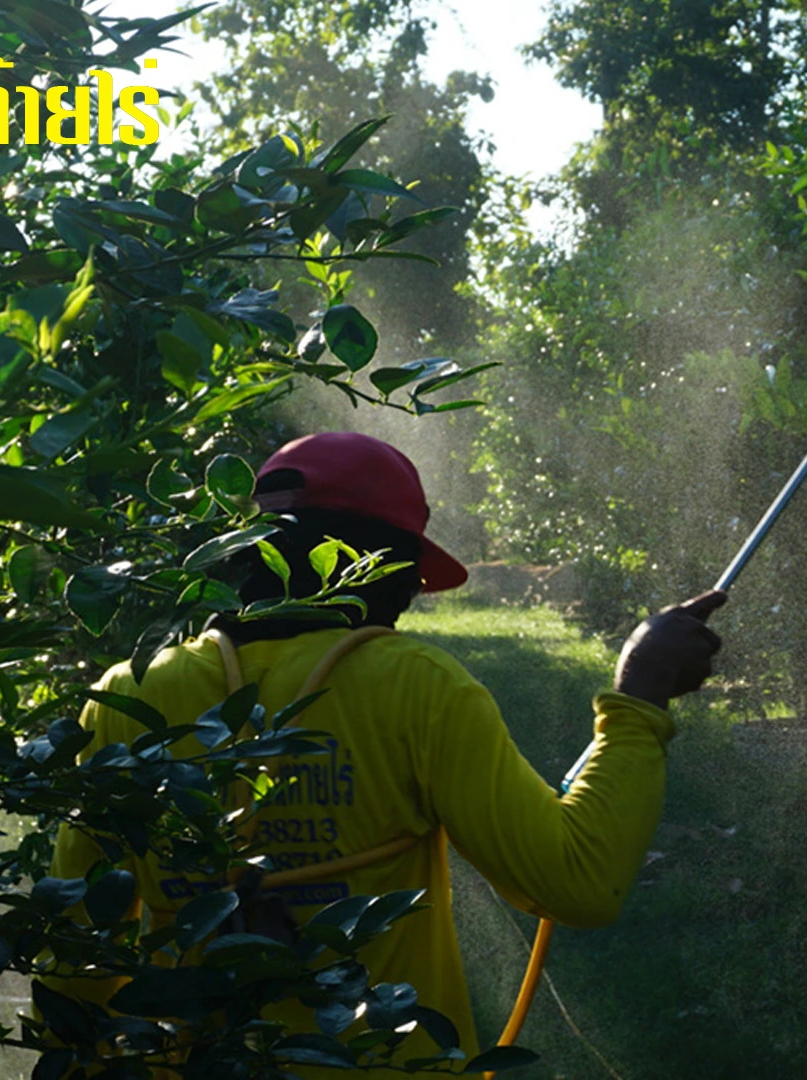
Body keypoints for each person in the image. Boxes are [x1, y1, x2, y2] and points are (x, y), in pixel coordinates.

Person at [47, 431, 723, 1070]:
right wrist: (641, 695)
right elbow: (578, 885)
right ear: (386, 570)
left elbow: (74, 956)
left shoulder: (128, 697)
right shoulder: (415, 688)